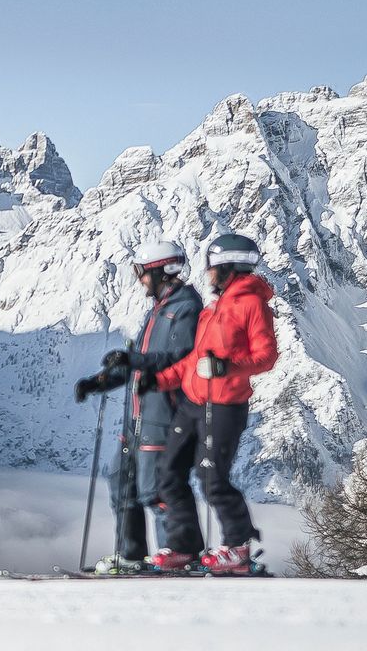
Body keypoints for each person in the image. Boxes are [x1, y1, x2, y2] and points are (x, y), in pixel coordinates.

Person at [140, 233, 279, 575]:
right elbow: (193, 362)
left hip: (225, 406)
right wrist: (158, 380)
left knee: (212, 478)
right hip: (192, 403)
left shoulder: (251, 304)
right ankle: (184, 547)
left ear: (228, 267)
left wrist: (227, 367)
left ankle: (238, 548)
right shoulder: (213, 308)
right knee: (168, 472)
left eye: (212, 267)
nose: (207, 274)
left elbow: (266, 356)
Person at [74, 240, 202, 574]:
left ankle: (178, 554)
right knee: (121, 482)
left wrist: (134, 359)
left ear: (162, 271)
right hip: (137, 415)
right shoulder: (158, 310)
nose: (140, 280)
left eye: (143, 273)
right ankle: (131, 555)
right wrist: (101, 381)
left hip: (164, 411)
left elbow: (181, 356)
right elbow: (140, 361)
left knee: (156, 489)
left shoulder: (185, 307)